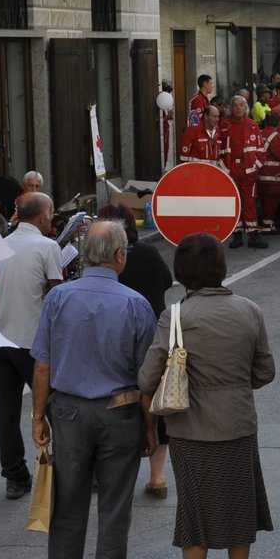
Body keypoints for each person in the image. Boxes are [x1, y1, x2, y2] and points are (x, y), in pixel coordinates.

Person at [138, 233, 275, 559]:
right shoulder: (250, 310)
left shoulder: (176, 316)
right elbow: (265, 371)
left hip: (189, 430)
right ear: (222, 267)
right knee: (239, 507)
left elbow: (148, 377)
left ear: (182, 272)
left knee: (193, 512)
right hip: (238, 424)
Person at [30, 221, 159, 559]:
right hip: (119, 411)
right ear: (119, 256)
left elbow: (42, 366)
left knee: (67, 504)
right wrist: (150, 428)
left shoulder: (58, 299)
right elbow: (146, 377)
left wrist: (37, 416)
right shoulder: (136, 304)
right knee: (114, 508)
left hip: (67, 411)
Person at [0, 192, 63, 499]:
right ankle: (73, 466)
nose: (53, 216)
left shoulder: (0, 244)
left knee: (7, 409)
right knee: (55, 407)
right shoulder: (48, 246)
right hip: (30, 340)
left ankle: (15, 476)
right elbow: (57, 295)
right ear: (42, 216)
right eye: (52, 211)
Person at [96, 203, 174, 499]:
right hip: (153, 339)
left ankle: (111, 476)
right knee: (156, 405)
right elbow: (166, 281)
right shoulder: (149, 253)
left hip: (114, 341)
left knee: (115, 404)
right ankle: (158, 477)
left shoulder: (102, 262)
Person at [220, 96, 266, 249]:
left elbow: (261, 151)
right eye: (235, 106)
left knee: (249, 203)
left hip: (249, 171)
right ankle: (237, 235)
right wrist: (224, 169)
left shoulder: (253, 125)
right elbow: (218, 151)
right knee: (234, 204)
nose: (238, 108)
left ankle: (253, 235)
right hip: (231, 171)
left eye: (241, 105)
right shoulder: (224, 126)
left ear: (246, 108)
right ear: (231, 108)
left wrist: (255, 168)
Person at [257, 114, 280, 236]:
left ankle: (266, 222)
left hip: (260, 173)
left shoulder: (261, 133)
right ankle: (268, 226)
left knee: (264, 200)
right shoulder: (275, 136)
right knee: (272, 201)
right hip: (272, 174)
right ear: (278, 123)